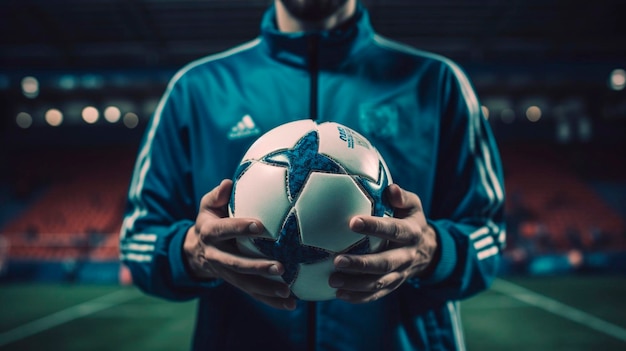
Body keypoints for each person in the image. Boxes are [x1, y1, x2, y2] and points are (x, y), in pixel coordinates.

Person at [120, 0, 505, 350]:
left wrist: (433, 251)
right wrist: (191, 252)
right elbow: (139, 238)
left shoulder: (437, 83)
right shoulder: (197, 89)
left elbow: (489, 235)